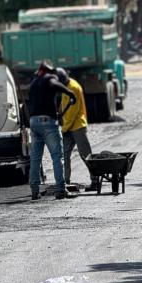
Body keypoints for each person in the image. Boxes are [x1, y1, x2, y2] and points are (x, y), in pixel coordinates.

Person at [28, 61, 78, 201]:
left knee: (35, 158)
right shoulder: (49, 78)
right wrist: (70, 93)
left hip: (34, 122)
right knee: (57, 157)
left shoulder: (34, 82)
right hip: (47, 122)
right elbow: (54, 84)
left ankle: (34, 191)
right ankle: (61, 190)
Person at [56, 68, 96, 191]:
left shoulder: (73, 87)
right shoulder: (65, 85)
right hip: (68, 126)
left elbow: (72, 113)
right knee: (64, 155)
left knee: (86, 155)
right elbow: (63, 105)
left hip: (77, 125)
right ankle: (65, 182)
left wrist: (64, 128)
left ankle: (95, 181)